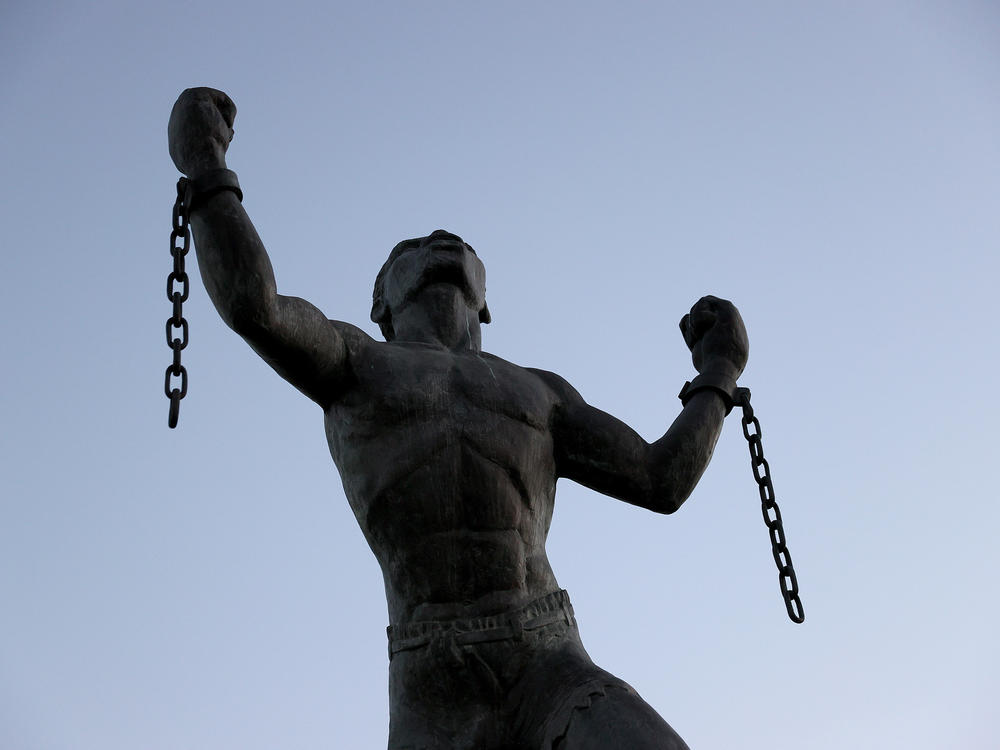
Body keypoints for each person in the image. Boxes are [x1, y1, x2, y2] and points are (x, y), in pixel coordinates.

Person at [168, 87, 749, 750]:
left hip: (550, 657)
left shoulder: (542, 394)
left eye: (457, 243)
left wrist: (718, 375)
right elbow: (258, 308)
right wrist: (207, 167)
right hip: (431, 677)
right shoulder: (356, 361)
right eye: (410, 246)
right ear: (380, 302)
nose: (440, 241)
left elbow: (659, 479)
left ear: (486, 299)